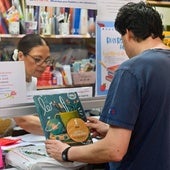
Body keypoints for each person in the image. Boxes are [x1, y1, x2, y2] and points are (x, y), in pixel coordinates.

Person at [45, 2, 170, 170]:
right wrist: (112, 130)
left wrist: (66, 152)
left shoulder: (131, 70)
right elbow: (157, 124)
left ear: (128, 33)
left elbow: (114, 150)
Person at [12, 34, 51, 135]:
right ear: (21, 56)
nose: (44, 65)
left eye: (46, 60)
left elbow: (30, 116)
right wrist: (59, 128)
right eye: (37, 59)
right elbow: (22, 119)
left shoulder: (33, 81)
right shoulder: (8, 81)